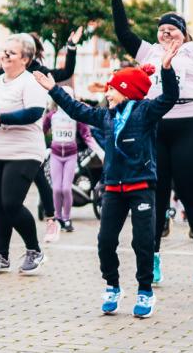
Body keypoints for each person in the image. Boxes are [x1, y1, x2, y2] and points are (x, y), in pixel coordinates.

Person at [105, 0, 193, 286]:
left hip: (190, 126)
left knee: (191, 193)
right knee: (157, 195)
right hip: (156, 126)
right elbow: (123, 33)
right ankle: (153, 258)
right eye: (161, 28)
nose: (165, 32)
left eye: (171, 28)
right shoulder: (148, 52)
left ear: (184, 33)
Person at [35, 47, 178, 316]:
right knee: (105, 241)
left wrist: (167, 70)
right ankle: (112, 286)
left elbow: (170, 97)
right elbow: (77, 109)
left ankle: (145, 291)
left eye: (111, 89)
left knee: (143, 242)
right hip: (112, 188)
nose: (107, 94)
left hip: (141, 186)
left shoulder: (146, 111)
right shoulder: (106, 115)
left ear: (127, 90)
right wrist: (54, 89)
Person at [0, 34, 51, 274]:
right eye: (4, 51)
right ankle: (1, 255)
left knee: (11, 203)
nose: (5, 55)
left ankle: (35, 250)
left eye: (11, 53)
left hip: (24, 152)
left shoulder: (31, 82)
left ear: (25, 59)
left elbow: (33, 113)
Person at [45, 82, 99, 232]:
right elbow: (40, 131)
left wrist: (100, 152)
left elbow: (87, 136)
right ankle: (58, 217)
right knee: (56, 189)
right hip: (55, 155)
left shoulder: (76, 116)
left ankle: (67, 219)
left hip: (71, 156)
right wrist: (42, 150)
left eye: (68, 97)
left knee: (66, 189)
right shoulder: (51, 116)